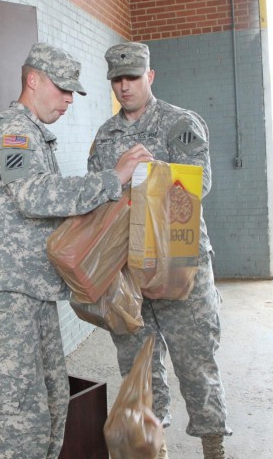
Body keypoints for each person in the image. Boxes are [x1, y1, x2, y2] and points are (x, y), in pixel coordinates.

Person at [0, 42, 153, 459]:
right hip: (1, 290)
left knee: (51, 403)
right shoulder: (10, 130)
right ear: (33, 80)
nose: (68, 99)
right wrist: (111, 178)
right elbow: (33, 195)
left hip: (33, 289)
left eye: (72, 92)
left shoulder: (37, 137)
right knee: (19, 416)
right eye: (62, 88)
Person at [88, 42, 232, 459]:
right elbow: (97, 194)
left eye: (132, 77)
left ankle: (213, 445)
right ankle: (153, 449)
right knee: (138, 367)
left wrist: (143, 174)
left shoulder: (179, 124)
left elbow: (197, 186)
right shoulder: (106, 135)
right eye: (117, 79)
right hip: (128, 269)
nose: (124, 86)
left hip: (178, 267)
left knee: (196, 361)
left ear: (149, 77)